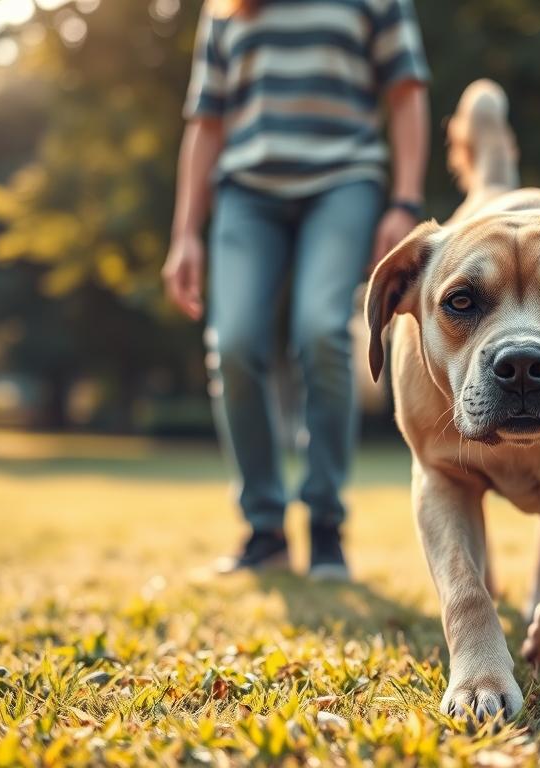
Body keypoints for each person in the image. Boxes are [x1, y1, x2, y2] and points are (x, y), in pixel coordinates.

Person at [162, 0, 430, 578]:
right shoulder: (226, 8)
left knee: (321, 330)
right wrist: (185, 234)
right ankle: (264, 529)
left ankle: (326, 523)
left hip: (344, 181)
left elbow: (406, 92)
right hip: (247, 192)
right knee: (232, 342)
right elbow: (205, 122)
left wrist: (404, 201)